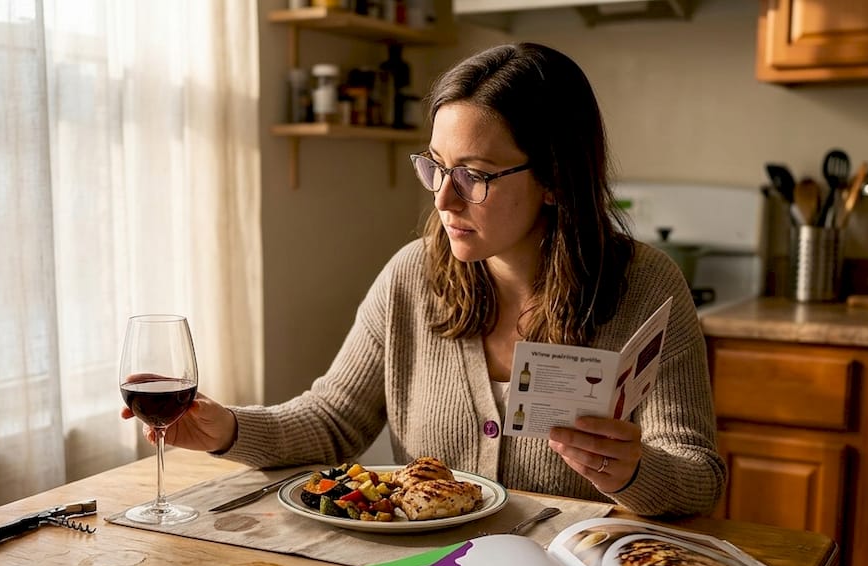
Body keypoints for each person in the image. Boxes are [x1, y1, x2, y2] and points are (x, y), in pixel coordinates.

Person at [123, 42, 725, 517]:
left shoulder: (644, 285)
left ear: (555, 180)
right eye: (435, 166)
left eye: (475, 174)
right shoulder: (412, 275)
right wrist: (227, 428)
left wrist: (635, 472)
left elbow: (697, 475)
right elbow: (334, 420)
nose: (443, 198)